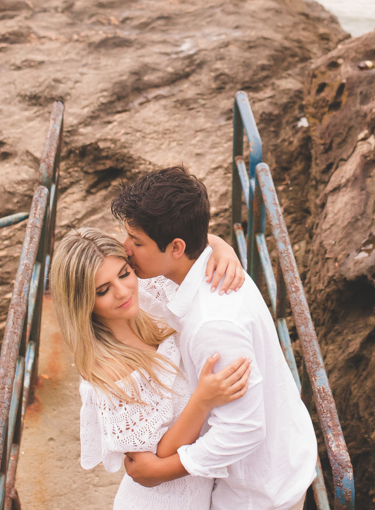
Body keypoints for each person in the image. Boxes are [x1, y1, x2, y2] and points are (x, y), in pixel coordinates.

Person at [112, 166, 317, 510]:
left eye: (137, 241)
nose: (126, 248)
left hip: (260, 494)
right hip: (271, 466)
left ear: (177, 247)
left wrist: (161, 470)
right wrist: (217, 241)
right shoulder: (207, 265)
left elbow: (244, 428)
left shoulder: (214, 325)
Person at [52, 227, 251, 509]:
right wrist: (203, 400)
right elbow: (151, 465)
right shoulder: (109, 371)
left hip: (206, 493)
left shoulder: (147, 293)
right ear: (83, 302)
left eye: (123, 273)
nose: (122, 292)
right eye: (103, 291)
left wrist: (222, 249)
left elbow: (177, 244)